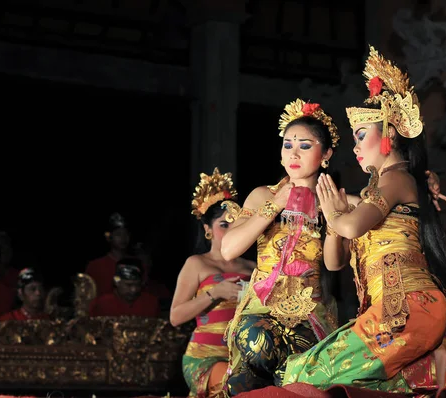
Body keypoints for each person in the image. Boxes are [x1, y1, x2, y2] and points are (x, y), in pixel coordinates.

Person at [282, 45, 446, 393]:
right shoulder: (378, 191)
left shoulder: (396, 178)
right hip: (393, 313)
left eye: (361, 136)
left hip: (407, 309)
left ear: (388, 134)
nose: (356, 148)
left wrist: (335, 213)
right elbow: (334, 261)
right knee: (328, 377)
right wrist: (337, 216)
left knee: (305, 375)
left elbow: (351, 225)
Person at [219, 99, 341, 395]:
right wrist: (275, 204)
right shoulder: (263, 195)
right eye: (288, 145)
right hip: (261, 310)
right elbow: (229, 250)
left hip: (309, 313)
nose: (294, 153)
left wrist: (423, 180)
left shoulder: (335, 201)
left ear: (326, 155)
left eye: (305, 145)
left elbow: (335, 264)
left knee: (299, 380)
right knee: (258, 349)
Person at [170, 167, 256, 398]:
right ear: (208, 229)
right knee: (235, 383)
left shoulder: (252, 268)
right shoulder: (197, 264)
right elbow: (175, 316)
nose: (230, 230)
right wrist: (215, 292)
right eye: (223, 225)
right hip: (204, 357)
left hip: (245, 356)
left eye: (234, 223)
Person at [89, 257, 160, 318]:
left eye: (137, 284)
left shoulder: (151, 303)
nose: (134, 290)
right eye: (128, 285)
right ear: (116, 282)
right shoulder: (102, 304)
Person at [85, 212, 131, 297]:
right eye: (118, 234)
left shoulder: (136, 264)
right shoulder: (95, 266)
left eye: (126, 233)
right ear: (109, 238)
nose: (123, 238)